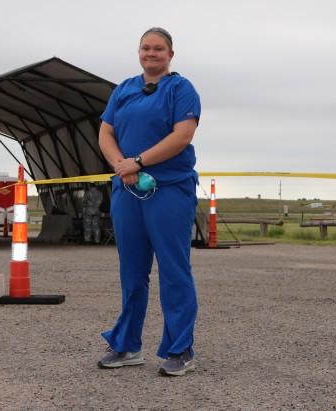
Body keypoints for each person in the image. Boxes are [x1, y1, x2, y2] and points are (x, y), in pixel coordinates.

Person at [97, 27, 201, 376]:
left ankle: (180, 349)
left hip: (168, 188)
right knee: (132, 271)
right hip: (126, 189)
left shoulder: (180, 89)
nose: (151, 54)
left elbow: (182, 136)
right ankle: (127, 345)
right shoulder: (124, 89)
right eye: (145, 48)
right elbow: (106, 133)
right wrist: (121, 166)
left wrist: (137, 162)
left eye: (159, 49)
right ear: (138, 52)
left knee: (173, 269)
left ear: (171, 55)